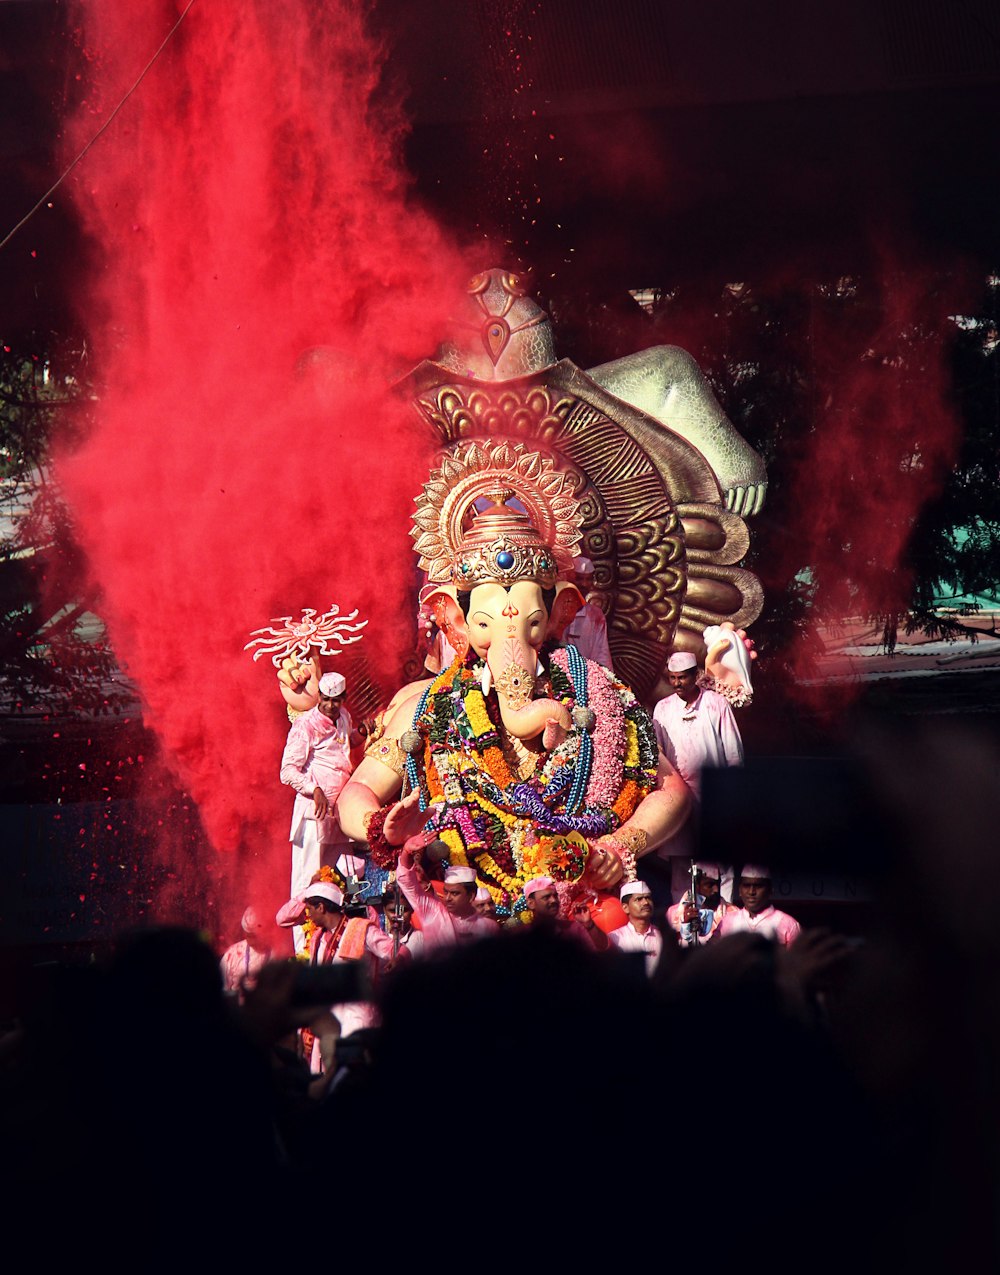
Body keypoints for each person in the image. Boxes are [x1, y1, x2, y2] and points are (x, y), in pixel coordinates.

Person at [280, 670, 363, 936]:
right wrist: (313, 788)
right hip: (312, 816)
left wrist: (361, 732)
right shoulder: (304, 725)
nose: (329, 706)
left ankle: (342, 941)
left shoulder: (344, 716)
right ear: (319, 697)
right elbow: (287, 771)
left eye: (335, 700)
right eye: (325, 699)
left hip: (339, 816)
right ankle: (304, 948)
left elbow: (345, 745)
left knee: (348, 881)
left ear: (343, 698)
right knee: (308, 885)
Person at [394, 846, 500, 950]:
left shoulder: (489, 927)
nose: (448, 898)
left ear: (471, 896)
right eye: (446, 892)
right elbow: (406, 883)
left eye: (455, 893)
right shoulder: (435, 914)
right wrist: (406, 851)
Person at [715, 864, 801, 946]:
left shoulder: (788, 924)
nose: (751, 892)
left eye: (758, 886)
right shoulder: (727, 921)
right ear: (740, 891)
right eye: (747, 886)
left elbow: (796, 958)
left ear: (770, 891)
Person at [524, 876, 608, 950]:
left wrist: (589, 924)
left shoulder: (573, 929)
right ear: (531, 903)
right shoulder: (521, 936)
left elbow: (602, 948)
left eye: (555, 896)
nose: (553, 900)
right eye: (546, 897)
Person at [666, 861, 734, 947]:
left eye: (718, 884)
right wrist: (686, 926)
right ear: (696, 886)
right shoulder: (672, 913)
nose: (716, 890)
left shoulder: (733, 913)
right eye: (710, 885)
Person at [562, 556, 613, 669]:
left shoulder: (596, 615)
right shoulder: (556, 610)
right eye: (579, 578)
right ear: (569, 579)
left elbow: (602, 653)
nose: (584, 584)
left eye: (588, 579)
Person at [219, 906, 273, 1000]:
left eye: (254, 935)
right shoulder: (232, 954)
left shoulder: (276, 953)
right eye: (248, 934)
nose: (250, 938)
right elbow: (222, 988)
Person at [608, 880, 663, 972]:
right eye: (639, 899)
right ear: (626, 908)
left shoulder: (663, 936)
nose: (646, 902)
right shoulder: (615, 938)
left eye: (648, 898)